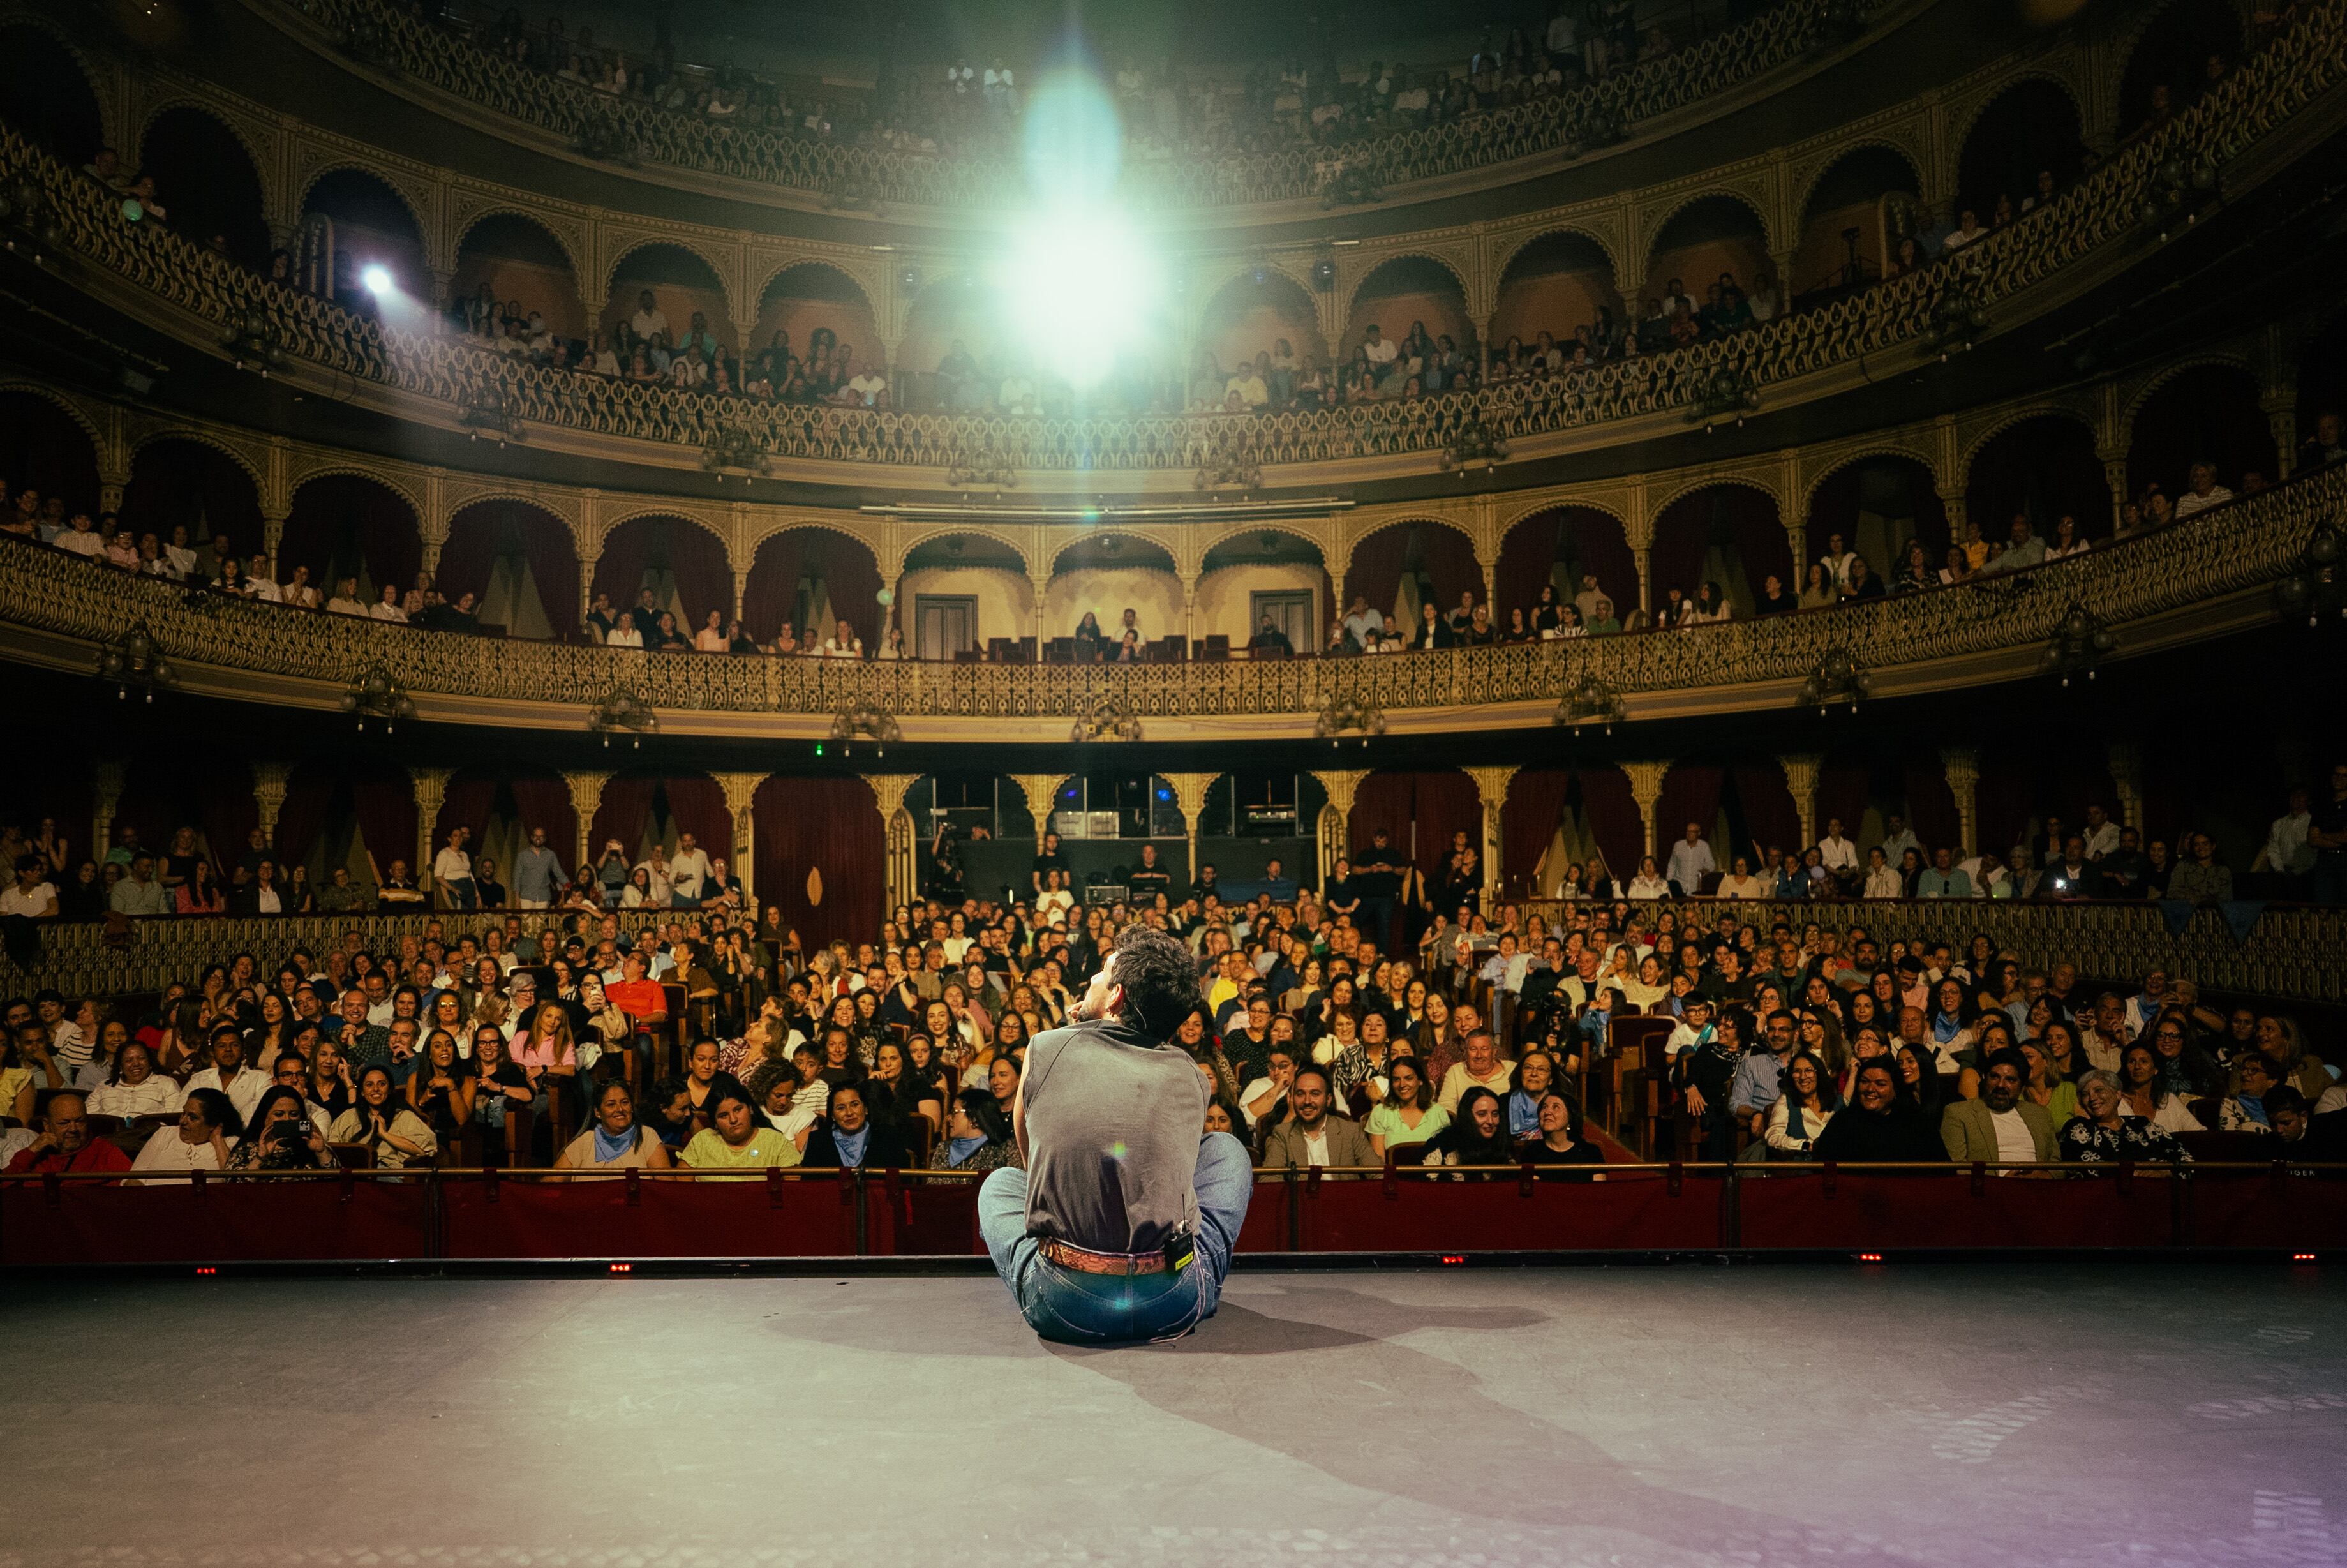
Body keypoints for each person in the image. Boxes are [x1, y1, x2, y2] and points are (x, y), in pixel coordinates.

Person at [976, 924, 1253, 1344]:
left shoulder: (1043, 1048)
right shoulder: (1192, 1075)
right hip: (1171, 1301)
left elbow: (1035, 1167)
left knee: (1000, 1184)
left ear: (1116, 996)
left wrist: (1074, 1031)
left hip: (1066, 1305)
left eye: (1102, 972)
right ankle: (1194, 1281)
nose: (1091, 978)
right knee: (1227, 1150)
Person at [1939, 1049, 2060, 1169]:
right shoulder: (1959, 1113)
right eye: (1994, 1077)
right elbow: (1956, 1169)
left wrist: (2045, 1175)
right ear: (1985, 1079)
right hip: (1988, 1181)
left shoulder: (2040, 1115)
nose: (2001, 1085)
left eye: (2010, 1080)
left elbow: (2056, 1164)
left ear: (2022, 1087)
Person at [1808, 1060, 1942, 1161]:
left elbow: (1940, 1169)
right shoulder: (1842, 1122)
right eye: (1865, 1082)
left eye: (1880, 1084)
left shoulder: (1917, 1122)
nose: (1870, 1089)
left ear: (1896, 1089)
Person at [1258, 1064, 1375, 1170]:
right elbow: (1270, 1180)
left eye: (1315, 1094)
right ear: (1292, 1099)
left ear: (1328, 1100)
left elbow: (1377, 1174)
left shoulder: (1351, 1132)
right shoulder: (1282, 1134)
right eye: (1300, 1094)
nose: (1307, 1101)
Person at [552, 1080, 674, 1176]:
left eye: (625, 1103)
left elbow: (664, 1186)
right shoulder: (584, 1142)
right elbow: (552, 1183)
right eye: (611, 1105)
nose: (620, 1109)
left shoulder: (647, 1136)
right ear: (597, 1112)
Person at [3, 1091, 133, 1178]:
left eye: (80, 1122)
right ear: (47, 1125)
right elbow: (5, 1186)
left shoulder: (104, 1151)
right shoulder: (36, 1154)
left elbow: (131, 1186)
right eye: (64, 1123)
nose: (73, 1129)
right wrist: (31, 1151)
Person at [682, 1082, 801, 1174]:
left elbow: (793, 1186)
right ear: (716, 1123)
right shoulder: (702, 1141)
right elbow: (681, 1186)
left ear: (750, 1109)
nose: (733, 1120)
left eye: (738, 1110)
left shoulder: (775, 1141)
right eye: (723, 1116)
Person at [130, 1087, 239, 1182]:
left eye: (193, 1117)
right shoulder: (164, 1134)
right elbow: (135, 1177)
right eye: (184, 1113)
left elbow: (233, 1184)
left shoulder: (229, 1143)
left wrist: (218, 1140)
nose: (182, 1121)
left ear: (213, 1124)